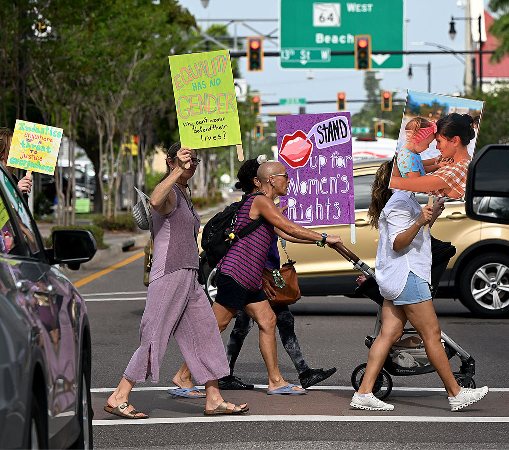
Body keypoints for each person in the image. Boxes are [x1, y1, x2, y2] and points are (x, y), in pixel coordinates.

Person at [172, 159, 344, 396]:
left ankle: (276, 381)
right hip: (236, 274)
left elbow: (287, 234)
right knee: (215, 326)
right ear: (271, 180)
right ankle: (183, 375)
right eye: (285, 176)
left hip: (250, 278)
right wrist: (324, 237)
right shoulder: (260, 201)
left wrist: (321, 242)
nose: (289, 181)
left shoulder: (265, 204)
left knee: (268, 321)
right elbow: (289, 228)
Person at [106, 143, 247, 418]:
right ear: (170, 161)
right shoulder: (169, 190)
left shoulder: (184, 192)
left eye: (194, 161)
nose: (190, 164)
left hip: (189, 275)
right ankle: (119, 396)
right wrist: (177, 170)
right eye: (185, 159)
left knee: (206, 333)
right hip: (169, 273)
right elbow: (155, 202)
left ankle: (214, 398)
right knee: (154, 335)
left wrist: (180, 169)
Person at [350, 159, 488, 412]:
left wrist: (430, 217)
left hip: (400, 276)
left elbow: (416, 237)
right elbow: (398, 243)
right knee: (432, 335)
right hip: (408, 276)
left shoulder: (406, 199)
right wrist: (419, 221)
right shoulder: (400, 203)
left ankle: (364, 392)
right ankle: (456, 393)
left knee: (388, 334)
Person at [389, 113, 475, 199]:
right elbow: (417, 164)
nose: (437, 147)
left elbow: (398, 183)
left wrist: (394, 167)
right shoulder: (447, 159)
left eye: (439, 141)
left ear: (455, 140)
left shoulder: (458, 170)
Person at [0, 128, 32, 196]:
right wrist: (16, 193)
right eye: (14, 147)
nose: (19, 149)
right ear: (2, 154)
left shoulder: (14, 180)